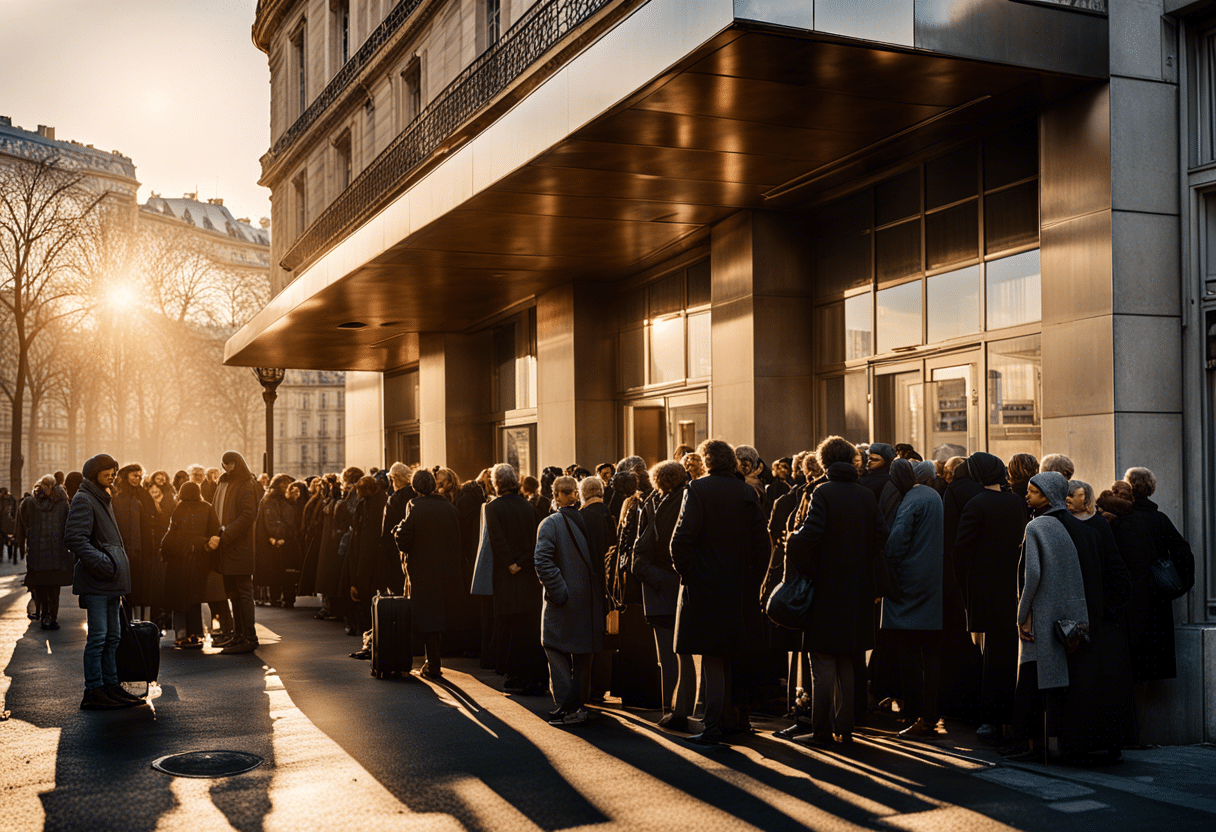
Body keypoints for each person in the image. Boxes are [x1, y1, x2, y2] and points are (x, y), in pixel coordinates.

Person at [778, 437, 888, 746]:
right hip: (858, 590)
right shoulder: (866, 494)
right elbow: (883, 534)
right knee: (847, 660)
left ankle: (821, 730)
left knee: (822, 662)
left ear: (824, 461)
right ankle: (846, 727)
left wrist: (794, 544)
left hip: (827, 589)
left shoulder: (822, 492)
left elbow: (810, 534)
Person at [670, 439, 770, 745]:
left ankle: (712, 724)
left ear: (707, 461)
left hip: (706, 585)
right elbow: (762, 545)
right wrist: (753, 581)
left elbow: (680, 540)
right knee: (730, 653)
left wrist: (690, 574)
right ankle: (731, 721)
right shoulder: (746, 492)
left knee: (712, 657)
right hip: (738, 587)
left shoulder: (697, 490)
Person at [1011, 472, 1089, 760]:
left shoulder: (1036, 526)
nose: (1027, 495)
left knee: (1030, 680)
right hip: (1065, 616)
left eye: (1033, 491)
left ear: (1047, 495)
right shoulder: (1066, 524)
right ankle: (1050, 744)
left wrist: (1022, 614)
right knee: (1053, 683)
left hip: (1039, 615)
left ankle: (1031, 746)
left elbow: (1031, 575)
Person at [953, 453, 1027, 744]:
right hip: (1015, 588)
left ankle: (992, 719)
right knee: (1009, 653)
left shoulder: (976, 504)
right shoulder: (1017, 502)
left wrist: (964, 589)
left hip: (985, 590)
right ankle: (1010, 715)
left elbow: (961, 552)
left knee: (989, 655)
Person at [65, 453, 143, 710]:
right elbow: (75, 538)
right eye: (107, 470)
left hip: (110, 580)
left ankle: (110, 686)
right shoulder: (84, 499)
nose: (112, 474)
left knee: (112, 637)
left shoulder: (103, 498)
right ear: (93, 473)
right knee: (98, 638)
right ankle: (94, 690)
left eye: (113, 470)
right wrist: (103, 563)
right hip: (98, 580)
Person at [881, 458, 946, 739]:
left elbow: (897, 542)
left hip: (908, 585)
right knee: (930, 655)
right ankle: (930, 714)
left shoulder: (912, 498)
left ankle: (917, 714)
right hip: (932, 585)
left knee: (908, 654)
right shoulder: (934, 497)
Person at [535, 475, 605, 725]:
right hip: (591, 599)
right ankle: (578, 705)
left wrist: (558, 591)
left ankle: (568, 705)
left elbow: (542, 561)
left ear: (555, 495)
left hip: (564, 599)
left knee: (553, 645)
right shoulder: (594, 519)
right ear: (575, 493)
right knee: (583, 653)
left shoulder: (550, 523)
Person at [631, 460, 695, 730]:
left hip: (660, 583)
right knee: (684, 652)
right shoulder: (689, 499)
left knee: (667, 653)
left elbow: (642, 547)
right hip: (681, 581)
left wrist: (649, 572)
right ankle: (682, 707)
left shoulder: (653, 504)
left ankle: (673, 709)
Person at [1109, 467, 1188, 685]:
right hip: (1155, 603)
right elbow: (1183, 552)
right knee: (1146, 675)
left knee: (1125, 672)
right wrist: (1176, 586)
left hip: (1124, 604)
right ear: (1150, 489)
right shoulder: (1160, 520)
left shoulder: (1116, 520)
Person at [394, 468, 463, 678]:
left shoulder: (414, 506)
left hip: (422, 569)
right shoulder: (448, 507)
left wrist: (397, 531)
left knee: (425, 617)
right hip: (445, 568)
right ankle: (433, 661)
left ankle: (432, 663)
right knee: (437, 615)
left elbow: (404, 539)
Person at [485, 463, 545, 694]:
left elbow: (496, 539)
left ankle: (514, 674)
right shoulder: (528, 506)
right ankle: (532, 675)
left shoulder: (492, 508)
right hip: (528, 571)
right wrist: (523, 562)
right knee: (527, 624)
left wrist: (511, 563)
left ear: (496, 483)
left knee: (508, 623)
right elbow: (534, 538)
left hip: (506, 573)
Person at [160, 481, 220, 649]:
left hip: (179, 558)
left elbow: (174, 532)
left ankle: (180, 634)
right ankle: (196, 634)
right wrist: (204, 544)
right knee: (195, 598)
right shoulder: (207, 507)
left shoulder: (179, 508)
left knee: (179, 597)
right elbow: (214, 530)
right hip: (199, 558)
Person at [212, 451, 262, 655]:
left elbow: (249, 514)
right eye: (224, 464)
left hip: (238, 546)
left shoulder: (246, 483)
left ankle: (249, 636)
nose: (226, 467)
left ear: (237, 464)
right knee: (233, 594)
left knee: (243, 592)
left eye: (230, 464)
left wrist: (226, 533)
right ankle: (238, 635)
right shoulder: (224, 482)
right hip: (226, 545)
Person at [16, 475, 72, 630]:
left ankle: (49, 617)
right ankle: (48, 617)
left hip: (45, 555)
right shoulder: (36, 503)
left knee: (50, 590)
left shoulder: (33, 504)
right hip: (48, 555)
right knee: (47, 589)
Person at [256, 474, 299, 608]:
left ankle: (287, 598)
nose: (286, 487)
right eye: (283, 484)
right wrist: (273, 538)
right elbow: (266, 521)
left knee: (287, 572)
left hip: (285, 540)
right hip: (273, 541)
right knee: (275, 572)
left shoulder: (287, 500)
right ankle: (275, 597)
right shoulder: (268, 500)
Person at [0, 486, 17, 563]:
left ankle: (3, 556)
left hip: (5, 524)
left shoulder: (6, 500)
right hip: (8, 524)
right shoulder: (11, 499)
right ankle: (8, 555)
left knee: (3, 541)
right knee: (7, 541)